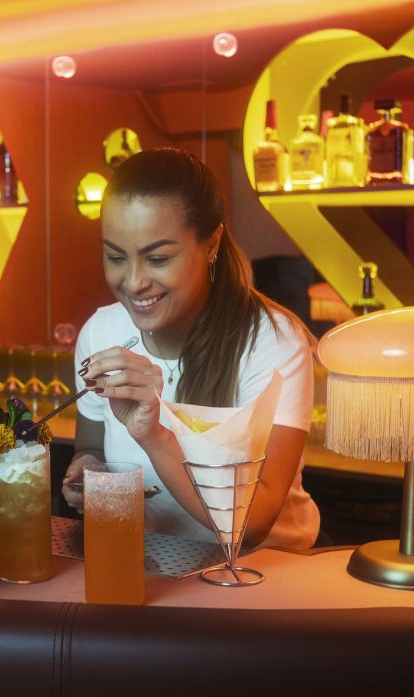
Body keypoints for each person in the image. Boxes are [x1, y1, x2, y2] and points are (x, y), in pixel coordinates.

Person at [62, 148, 320, 551]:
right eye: (115, 256)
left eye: (158, 258)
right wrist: (87, 472)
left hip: (262, 572)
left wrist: (154, 434)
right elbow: (91, 448)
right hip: (152, 562)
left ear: (211, 243)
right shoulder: (102, 333)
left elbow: (252, 523)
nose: (134, 281)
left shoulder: (272, 342)